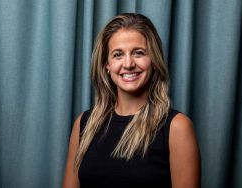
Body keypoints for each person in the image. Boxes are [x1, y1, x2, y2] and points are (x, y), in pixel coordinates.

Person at [63, 13, 200, 188]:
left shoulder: (176, 127)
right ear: (107, 65)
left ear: (153, 60)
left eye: (139, 53)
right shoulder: (84, 124)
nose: (128, 64)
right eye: (118, 55)